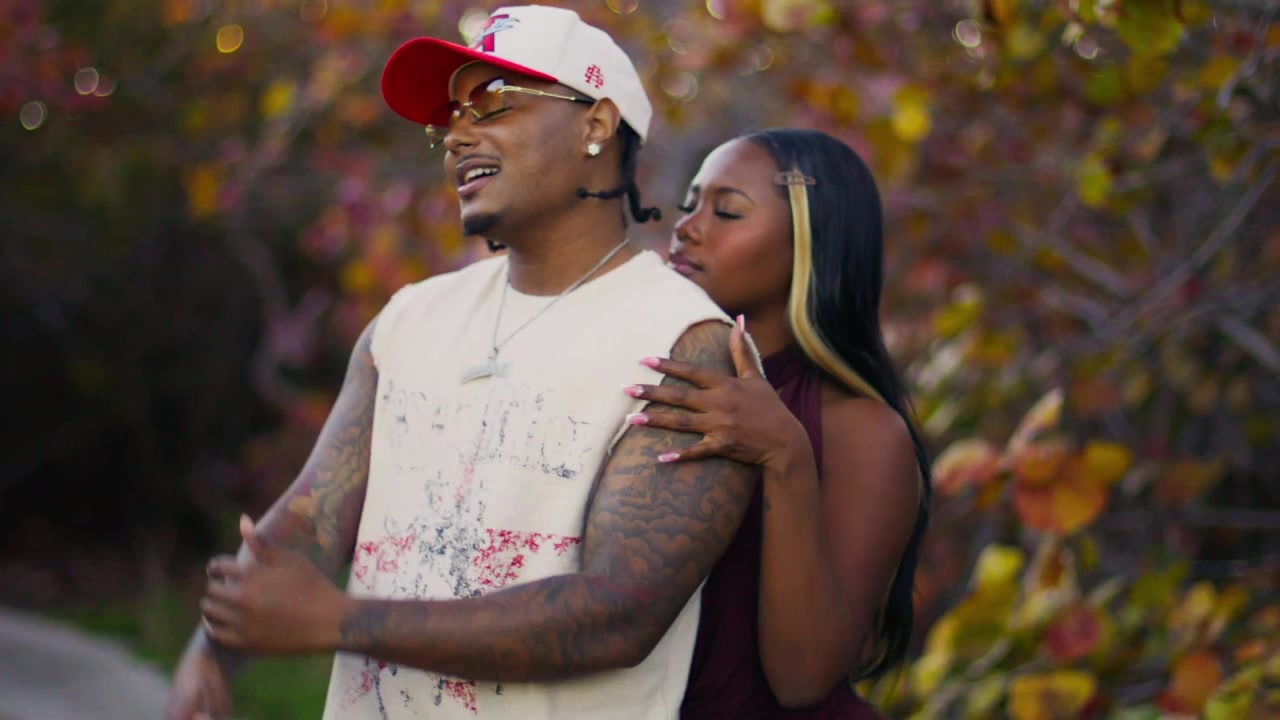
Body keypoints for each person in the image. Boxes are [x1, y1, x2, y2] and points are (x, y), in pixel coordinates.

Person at [164, 6, 759, 719]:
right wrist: (212, 649)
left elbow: (619, 613)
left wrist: (337, 620)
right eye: (450, 116)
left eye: (493, 101)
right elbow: (311, 519)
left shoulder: (683, 341)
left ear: (596, 125)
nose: (456, 135)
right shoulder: (408, 320)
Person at [621, 129, 932, 718]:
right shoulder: (650, 382)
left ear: (813, 242)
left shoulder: (864, 433)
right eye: (690, 204)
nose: (687, 227)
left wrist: (786, 455)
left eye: (727, 211)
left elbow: (802, 679)